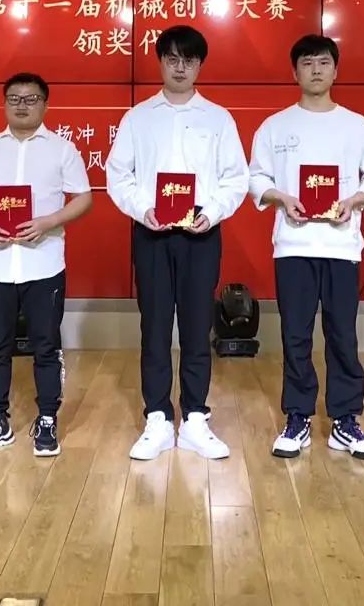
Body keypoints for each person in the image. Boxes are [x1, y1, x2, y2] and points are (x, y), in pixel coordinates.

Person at [106, 24, 249, 461]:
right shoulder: (138, 117)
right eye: (172, 59)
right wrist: (141, 208)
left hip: (200, 233)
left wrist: (213, 212)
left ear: (200, 65)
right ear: (160, 62)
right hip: (152, 231)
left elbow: (236, 177)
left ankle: (195, 419)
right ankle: (156, 417)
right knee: (153, 326)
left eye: (189, 60)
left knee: (196, 325)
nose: (180, 67)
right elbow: (118, 174)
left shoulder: (218, 119)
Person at [248, 35, 364, 461]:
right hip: (293, 245)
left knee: (342, 334)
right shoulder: (275, 126)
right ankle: (298, 416)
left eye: (323, 62)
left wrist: (354, 201)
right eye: (307, 63)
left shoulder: (356, 126)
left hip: (342, 245)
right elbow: (256, 178)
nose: (315, 69)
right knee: (295, 334)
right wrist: (281, 197)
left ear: (335, 70)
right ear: (294, 72)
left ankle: (345, 420)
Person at [0, 73, 93, 457]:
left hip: (43, 265)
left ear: (45, 105)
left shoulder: (62, 150)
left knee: (46, 347)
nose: (22, 105)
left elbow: (84, 198)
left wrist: (49, 221)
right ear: (4, 104)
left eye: (31, 99)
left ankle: (47, 419)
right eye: (14, 98)